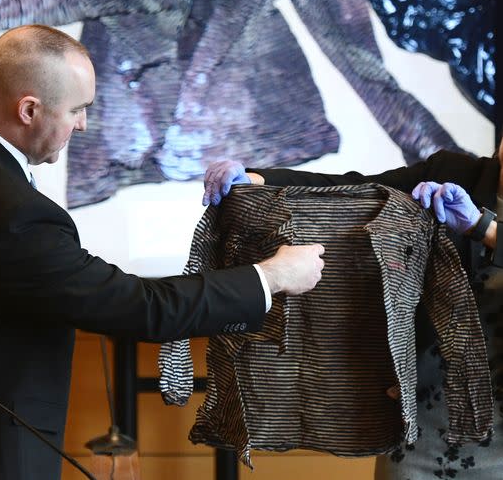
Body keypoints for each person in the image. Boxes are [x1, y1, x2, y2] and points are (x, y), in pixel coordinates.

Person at [0, 25, 325, 480]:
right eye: (77, 110)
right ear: (29, 109)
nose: (83, 125)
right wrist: (270, 277)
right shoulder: (13, 214)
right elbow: (138, 307)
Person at [202, 142, 502, 479]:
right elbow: (348, 188)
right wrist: (256, 181)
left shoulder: (476, 212)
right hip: (430, 419)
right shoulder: (455, 173)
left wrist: (483, 228)